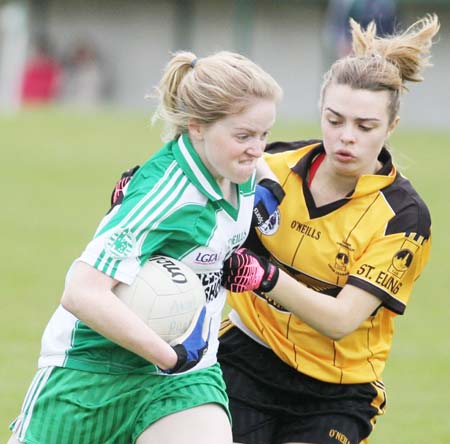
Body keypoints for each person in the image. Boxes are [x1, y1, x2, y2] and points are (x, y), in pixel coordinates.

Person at [8, 50, 282, 444]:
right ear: (197, 126)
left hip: (187, 379)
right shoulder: (165, 196)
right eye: (244, 136)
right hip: (91, 374)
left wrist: (269, 184)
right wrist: (170, 355)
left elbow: (253, 157)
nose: (257, 150)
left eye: (264, 134)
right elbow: (81, 292)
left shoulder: (235, 165)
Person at [219, 14, 439, 444]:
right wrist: (142, 185)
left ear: (391, 127)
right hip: (245, 357)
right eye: (334, 120)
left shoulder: (404, 217)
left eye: (365, 126)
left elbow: (341, 320)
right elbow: (197, 178)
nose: (346, 137)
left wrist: (265, 276)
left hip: (337, 391)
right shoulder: (271, 167)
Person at [20, 35, 62, 105]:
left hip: (44, 101)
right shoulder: (29, 68)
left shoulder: (51, 69)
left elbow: (55, 87)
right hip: (29, 100)